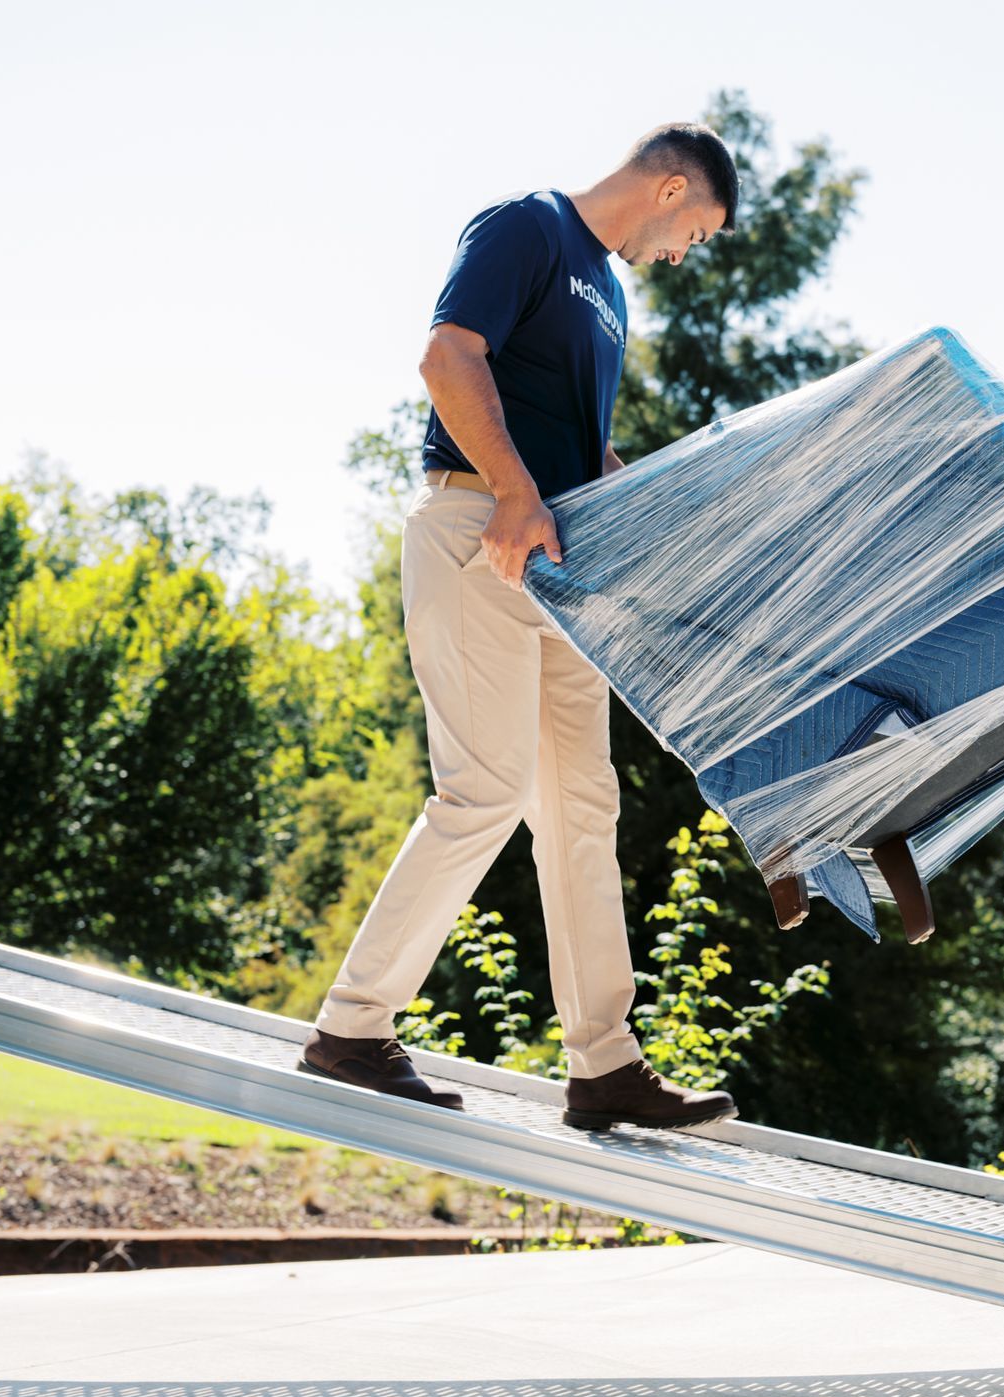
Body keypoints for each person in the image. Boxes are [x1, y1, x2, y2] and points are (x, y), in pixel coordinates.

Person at [298, 123, 742, 1132]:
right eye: (697, 233)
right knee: (486, 790)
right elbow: (448, 356)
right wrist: (511, 491)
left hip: (558, 571)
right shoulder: (528, 226)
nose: (685, 255)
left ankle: (605, 1066)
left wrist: (660, 504)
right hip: (480, 533)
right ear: (671, 190)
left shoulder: (609, 294)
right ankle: (352, 1029)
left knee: (583, 808)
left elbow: (580, 451)